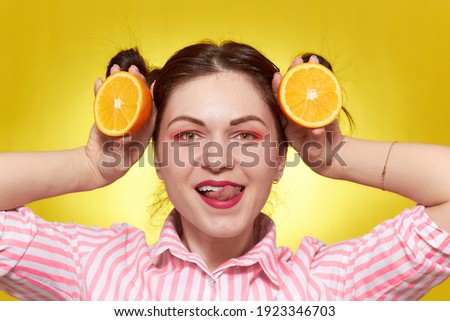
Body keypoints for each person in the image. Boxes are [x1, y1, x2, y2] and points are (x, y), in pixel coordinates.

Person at [0, 41, 449, 300]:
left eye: (247, 136)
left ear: (279, 158)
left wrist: (332, 152)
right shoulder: (93, 269)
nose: (217, 159)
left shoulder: (335, 284)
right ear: (156, 157)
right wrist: (88, 166)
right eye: (188, 137)